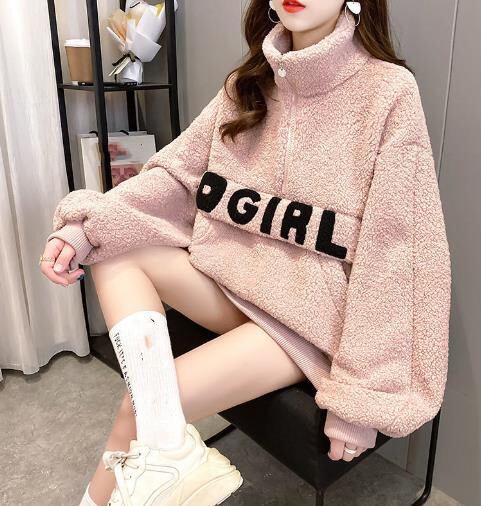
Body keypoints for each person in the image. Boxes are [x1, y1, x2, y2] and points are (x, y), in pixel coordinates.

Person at [39, 0, 452, 505]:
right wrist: (84, 228)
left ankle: (146, 462)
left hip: (303, 323)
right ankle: (169, 453)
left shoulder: (387, 92)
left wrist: (361, 400)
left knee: (137, 409)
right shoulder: (249, 83)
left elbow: (397, 253)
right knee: (113, 247)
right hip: (233, 286)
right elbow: (176, 175)